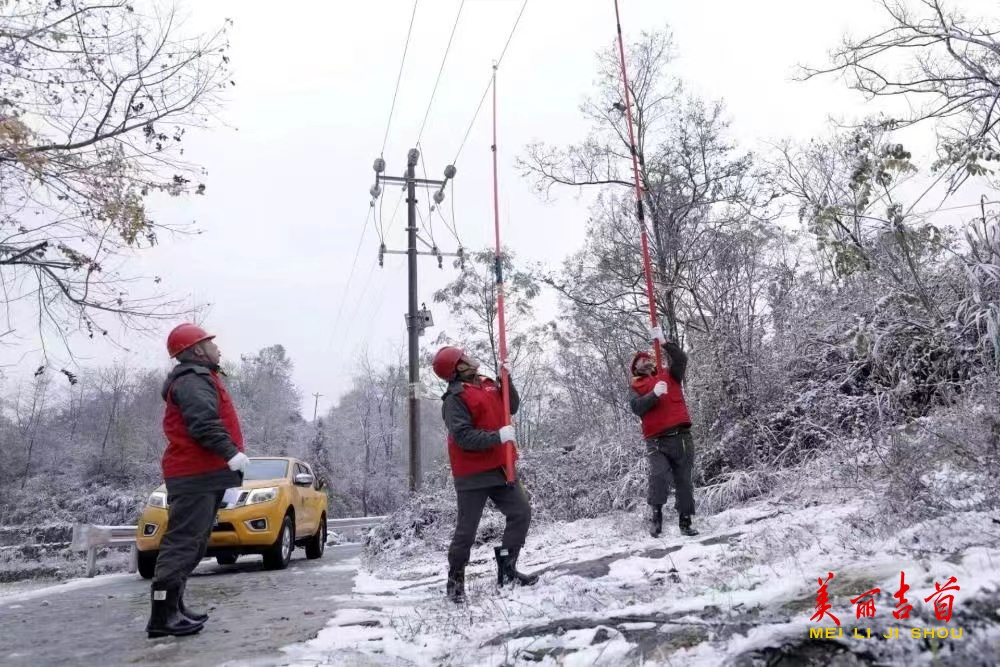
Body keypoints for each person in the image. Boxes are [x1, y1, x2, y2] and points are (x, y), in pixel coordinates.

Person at [145, 323, 250, 639]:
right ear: (196, 351)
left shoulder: (201, 378)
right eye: (209, 342)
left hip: (202, 474)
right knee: (183, 543)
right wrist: (231, 453)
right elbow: (202, 423)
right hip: (194, 474)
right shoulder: (192, 380)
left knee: (194, 543)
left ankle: (175, 608)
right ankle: (161, 616)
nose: (217, 347)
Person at [432, 346, 539, 604]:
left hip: (500, 467)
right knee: (466, 531)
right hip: (472, 475)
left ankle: (508, 570)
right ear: (457, 367)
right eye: (463, 357)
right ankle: (455, 582)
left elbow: (511, 406)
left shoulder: (489, 383)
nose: (469, 357)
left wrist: (507, 380)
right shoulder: (454, 399)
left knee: (521, 512)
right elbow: (463, 437)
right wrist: (497, 437)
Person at [629, 326, 699, 538]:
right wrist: (654, 394)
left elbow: (682, 360)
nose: (645, 360)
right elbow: (636, 407)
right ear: (635, 368)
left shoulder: (670, 374)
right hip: (656, 441)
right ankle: (656, 515)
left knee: (684, 481)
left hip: (681, 437)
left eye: (646, 357)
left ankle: (685, 521)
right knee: (658, 476)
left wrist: (665, 341)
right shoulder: (636, 386)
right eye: (640, 360)